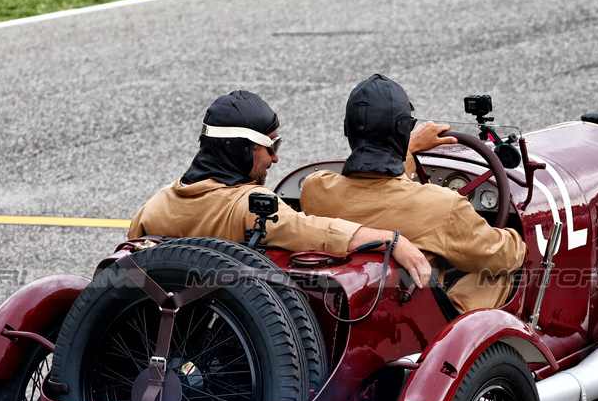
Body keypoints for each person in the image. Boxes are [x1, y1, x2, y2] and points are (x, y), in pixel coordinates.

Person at [128, 90, 432, 287]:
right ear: (242, 149)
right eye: (271, 145)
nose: (276, 157)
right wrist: (391, 239)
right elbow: (315, 231)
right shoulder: (250, 207)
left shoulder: (153, 206)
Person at [300, 74, 526, 312]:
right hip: (421, 326)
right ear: (403, 130)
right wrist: (515, 239)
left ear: (348, 129)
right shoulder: (442, 205)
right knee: (498, 273)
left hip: (350, 313)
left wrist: (408, 148)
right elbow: (505, 256)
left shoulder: (315, 188)